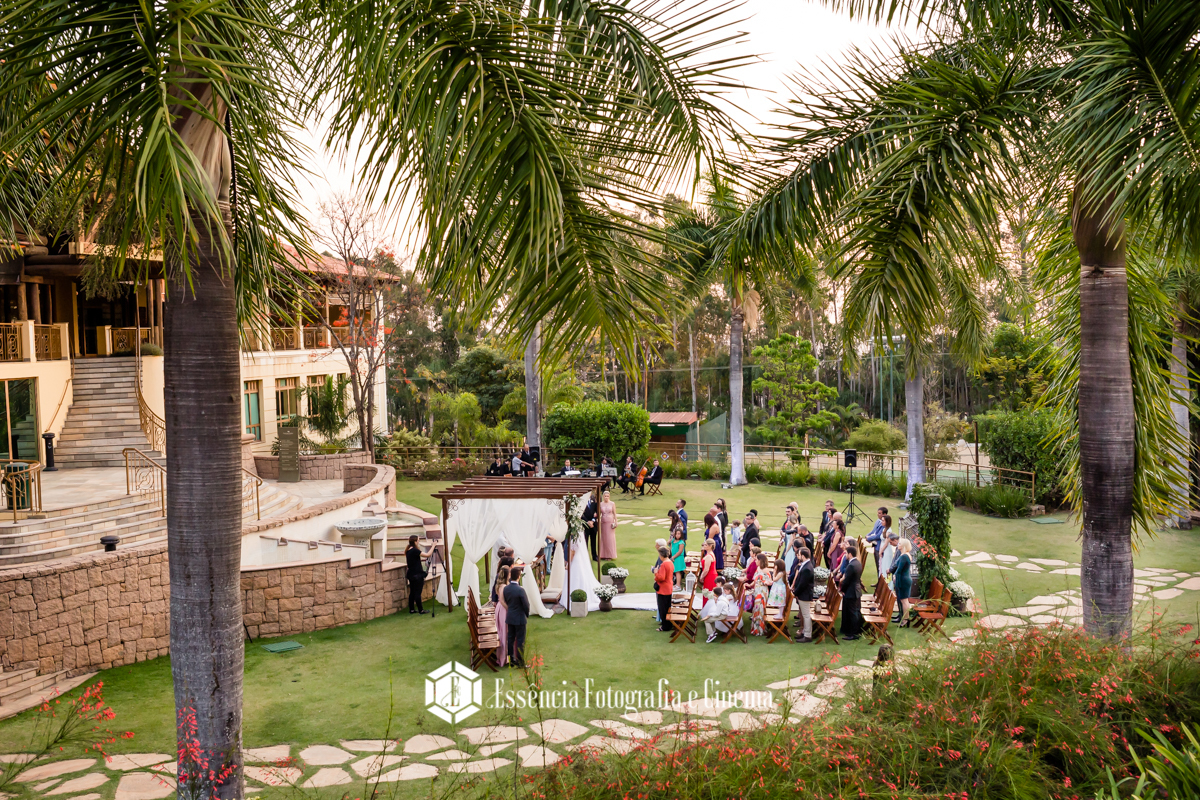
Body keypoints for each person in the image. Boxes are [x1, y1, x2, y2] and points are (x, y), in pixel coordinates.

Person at [503, 566, 530, 666]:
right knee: (520, 640)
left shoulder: (506, 589)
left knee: (510, 638)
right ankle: (521, 662)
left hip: (510, 617)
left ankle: (511, 659)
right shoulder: (520, 590)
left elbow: (506, 600)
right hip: (519, 618)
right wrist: (526, 614)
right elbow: (526, 604)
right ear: (519, 577)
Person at [839, 545, 863, 640]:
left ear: (850, 554)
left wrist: (842, 590)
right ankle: (857, 630)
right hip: (856, 590)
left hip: (851, 591)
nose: (845, 555)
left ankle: (853, 633)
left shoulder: (851, 565)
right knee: (856, 611)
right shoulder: (858, 563)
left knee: (853, 612)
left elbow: (846, 581)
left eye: (846, 553)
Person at [791, 546, 814, 642]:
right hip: (803, 594)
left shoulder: (807, 568)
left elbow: (802, 584)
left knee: (806, 615)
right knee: (805, 615)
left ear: (803, 556)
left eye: (799, 555)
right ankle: (805, 632)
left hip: (804, 595)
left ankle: (808, 635)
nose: (798, 556)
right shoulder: (805, 565)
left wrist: (795, 593)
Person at [889, 538, 914, 627]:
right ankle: (903, 618)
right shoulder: (905, 555)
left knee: (904, 601)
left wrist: (895, 576)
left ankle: (905, 620)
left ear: (903, 546)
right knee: (903, 600)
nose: (898, 545)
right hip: (904, 579)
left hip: (903, 580)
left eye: (900, 544)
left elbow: (899, 570)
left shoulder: (904, 556)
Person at [749, 552, 771, 636]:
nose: (755, 561)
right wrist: (750, 585)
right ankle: (755, 628)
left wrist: (763, 582)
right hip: (757, 590)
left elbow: (770, 581)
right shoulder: (758, 568)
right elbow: (755, 580)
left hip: (762, 591)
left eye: (756, 560)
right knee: (756, 609)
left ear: (760, 560)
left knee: (760, 609)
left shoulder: (766, 570)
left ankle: (760, 629)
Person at [405, 535, 428, 614]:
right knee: (418, 593)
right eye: (418, 540)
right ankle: (421, 610)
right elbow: (428, 555)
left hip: (411, 574)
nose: (419, 541)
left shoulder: (408, 550)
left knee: (412, 592)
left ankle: (411, 609)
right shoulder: (415, 550)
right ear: (415, 541)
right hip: (417, 575)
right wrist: (434, 546)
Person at [654, 546, 675, 632]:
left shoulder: (664, 564)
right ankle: (668, 624)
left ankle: (665, 626)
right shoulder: (670, 562)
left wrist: (656, 573)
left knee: (663, 608)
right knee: (667, 607)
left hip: (663, 589)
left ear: (661, 555)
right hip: (668, 587)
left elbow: (661, 577)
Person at [494, 564, 510, 666]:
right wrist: (509, 609)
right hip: (503, 610)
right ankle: (503, 657)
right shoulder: (503, 587)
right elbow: (503, 600)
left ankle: (504, 655)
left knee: (503, 631)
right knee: (503, 632)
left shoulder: (501, 585)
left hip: (500, 608)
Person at [865, 506, 888, 573]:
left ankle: (880, 581)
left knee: (880, 565)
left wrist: (869, 538)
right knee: (877, 564)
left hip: (880, 546)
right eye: (878, 513)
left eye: (880, 513)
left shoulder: (884, 524)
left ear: (884, 514)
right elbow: (874, 531)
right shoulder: (878, 521)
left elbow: (879, 535)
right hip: (875, 545)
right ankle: (878, 581)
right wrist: (867, 535)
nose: (878, 514)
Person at [598, 490, 618, 560]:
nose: (606, 497)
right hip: (603, 522)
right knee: (604, 538)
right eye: (605, 496)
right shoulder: (601, 504)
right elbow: (599, 513)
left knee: (610, 539)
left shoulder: (612, 504)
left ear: (609, 497)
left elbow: (614, 513)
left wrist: (616, 522)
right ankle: (603, 555)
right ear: (603, 496)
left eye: (607, 496)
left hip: (610, 522)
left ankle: (610, 555)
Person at [698, 539, 717, 605]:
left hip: (710, 576)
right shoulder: (710, 554)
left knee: (708, 592)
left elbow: (706, 569)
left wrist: (701, 577)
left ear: (710, 546)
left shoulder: (709, 556)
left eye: (706, 545)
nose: (704, 546)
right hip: (711, 575)